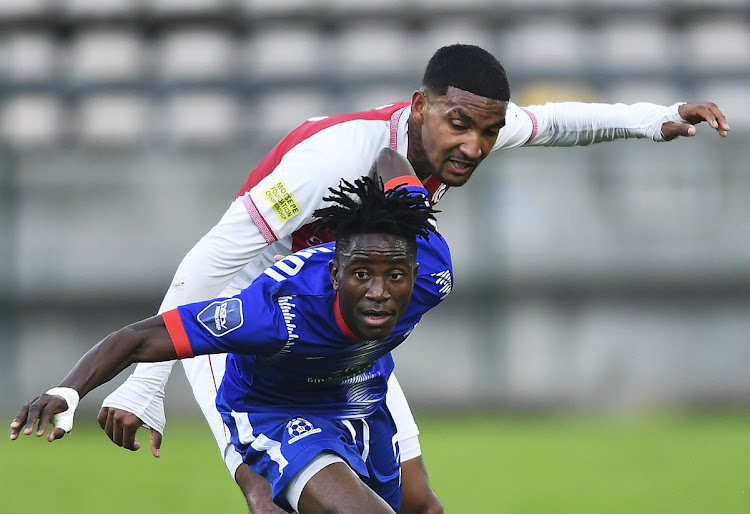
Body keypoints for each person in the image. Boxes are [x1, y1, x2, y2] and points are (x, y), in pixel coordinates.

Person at [96, 44, 729, 513]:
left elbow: (554, 123)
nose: (476, 147)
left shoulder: (465, 131)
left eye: (488, 131)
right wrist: (146, 386)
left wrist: (656, 118)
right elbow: (212, 263)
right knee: (270, 500)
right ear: (421, 107)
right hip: (257, 321)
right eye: (461, 125)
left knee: (421, 505)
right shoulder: (331, 161)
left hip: (342, 332)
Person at [11, 148, 452, 513]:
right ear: (336, 274)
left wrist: (382, 191)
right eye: (361, 276)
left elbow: (391, 159)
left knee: (423, 508)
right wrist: (69, 391)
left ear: (415, 272)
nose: (379, 292)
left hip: (360, 393)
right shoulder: (272, 314)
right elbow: (138, 338)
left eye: (395, 277)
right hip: (276, 410)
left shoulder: (431, 266)